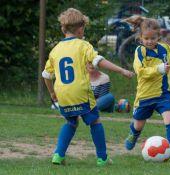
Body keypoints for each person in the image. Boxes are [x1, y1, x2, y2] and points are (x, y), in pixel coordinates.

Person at [42, 8, 134, 166]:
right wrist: (121, 70)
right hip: (81, 92)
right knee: (95, 122)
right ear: (80, 28)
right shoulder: (83, 45)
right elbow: (99, 61)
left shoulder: (55, 50)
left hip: (63, 93)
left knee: (71, 122)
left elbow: (46, 75)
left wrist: (52, 93)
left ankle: (58, 155)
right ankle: (102, 158)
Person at [123, 15, 170, 163]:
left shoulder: (164, 49)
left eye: (153, 38)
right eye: (146, 38)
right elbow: (140, 72)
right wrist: (158, 69)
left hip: (163, 95)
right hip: (145, 96)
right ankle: (134, 134)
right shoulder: (140, 51)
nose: (149, 41)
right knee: (138, 125)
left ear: (158, 37)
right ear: (141, 37)